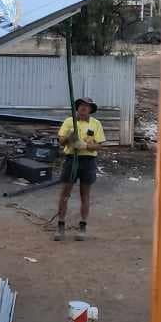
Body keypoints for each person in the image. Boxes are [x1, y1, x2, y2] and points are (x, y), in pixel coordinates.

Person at [55, 97, 104, 236]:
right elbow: (61, 142)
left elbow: (99, 145)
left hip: (88, 161)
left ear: (90, 109)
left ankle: (82, 226)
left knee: (85, 195)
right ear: (77, 107)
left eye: (87, 106)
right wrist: (69, 137)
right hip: (71, 160)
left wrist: (85, 145)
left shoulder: (96, 124)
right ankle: (60, 225)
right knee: (65, 194)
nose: (83, 108)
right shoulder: (69, 122)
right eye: (81, 105)